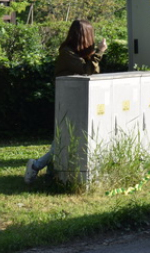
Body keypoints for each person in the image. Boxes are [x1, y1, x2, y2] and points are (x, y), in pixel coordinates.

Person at [25, 19, 107, 184]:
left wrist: (94, 55)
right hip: (69, 101)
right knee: (64, 139)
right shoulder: (67, 53)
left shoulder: (79, 54)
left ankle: (48, 170)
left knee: (63, 138)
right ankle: (36, 165)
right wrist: (99, 52)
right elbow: (87, 70)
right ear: (84, 36)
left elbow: (93, 74)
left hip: (79, 100)